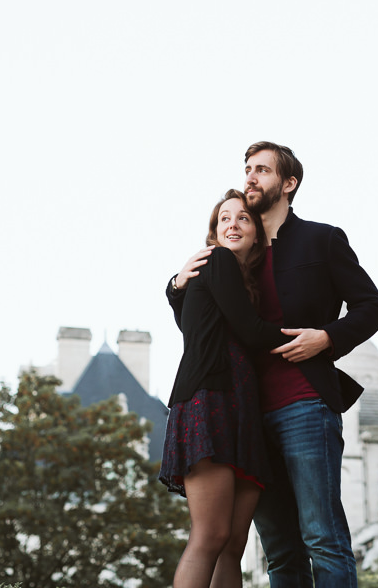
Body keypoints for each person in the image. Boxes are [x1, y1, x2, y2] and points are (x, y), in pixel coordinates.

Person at [168, 142, 378, 588]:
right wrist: (175, 285)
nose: (251, 177)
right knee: (279, 552)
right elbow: (205, 326)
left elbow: (373, 307)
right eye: (247, 169)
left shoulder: (321, 240)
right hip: (244, 416)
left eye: (262, 170)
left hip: (303, 404)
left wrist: (327, 337)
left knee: (322, 537)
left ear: (288, 184)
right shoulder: (234, 256)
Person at [160, 189, 293, 588]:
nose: (233, 224)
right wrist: (314, 338)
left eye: (243, 218)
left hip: (241, 408)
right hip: (210, 400)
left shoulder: (238, 279)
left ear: (258, 232)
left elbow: (195, 321)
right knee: (211, 536)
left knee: (233, 544)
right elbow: (249, 332)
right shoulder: (217, 261)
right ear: (214, 234)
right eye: (224, 219)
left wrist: (175, 289)